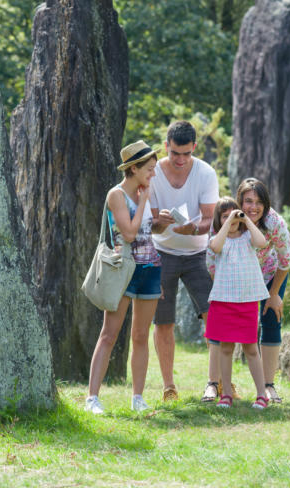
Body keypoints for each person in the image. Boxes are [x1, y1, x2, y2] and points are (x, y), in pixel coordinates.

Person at [85, 140, 161, 414]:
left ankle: (138, 398)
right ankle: (92, 398)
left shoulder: (141, 194)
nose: (153, 174)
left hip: (150, 268)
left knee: (140, 335)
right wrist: (143, 203)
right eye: (149, 169)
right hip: (123, 269)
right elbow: (128, 233)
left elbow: (143, 230)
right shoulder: (116, 195)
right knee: (109, 334)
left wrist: (160, 218)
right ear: (134, 168)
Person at [149, 120, 220, 401]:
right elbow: (151, 225)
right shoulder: (152, 173)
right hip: (162, 252)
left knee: (213, 314)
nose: (180, 160)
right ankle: (169, 386)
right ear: (166, 146)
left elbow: (209, 219)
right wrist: (160, 222)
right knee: (163, 321)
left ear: (194, 148)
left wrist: (194, 228)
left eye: (186, 154)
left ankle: (216, 382)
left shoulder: (205, 173)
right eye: (174, 153)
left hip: (197, 253)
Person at [205, 197, 269, 409]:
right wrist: (226, 223)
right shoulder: (218, 239)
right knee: (225, 348)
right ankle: (226, 394)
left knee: (251, 348)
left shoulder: (248, 238)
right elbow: (215, 247)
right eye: (225, 216)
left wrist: (245, 220)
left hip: (247, 301)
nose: (231, 218)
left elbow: (262, 243)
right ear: (219, 220)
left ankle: (262, 394)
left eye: (234, 214)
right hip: (224, 301)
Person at [235, 177, 290, 403]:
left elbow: (286, 258)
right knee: (230, 327)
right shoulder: (231, 219)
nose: (253, 207)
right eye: (248, 201)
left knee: (271, 321)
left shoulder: (274, 223)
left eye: (259, 202)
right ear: (240, 201)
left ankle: (269, 386)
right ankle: (219, 383)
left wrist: (274, 293)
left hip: (270, 275)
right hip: (239, 277)